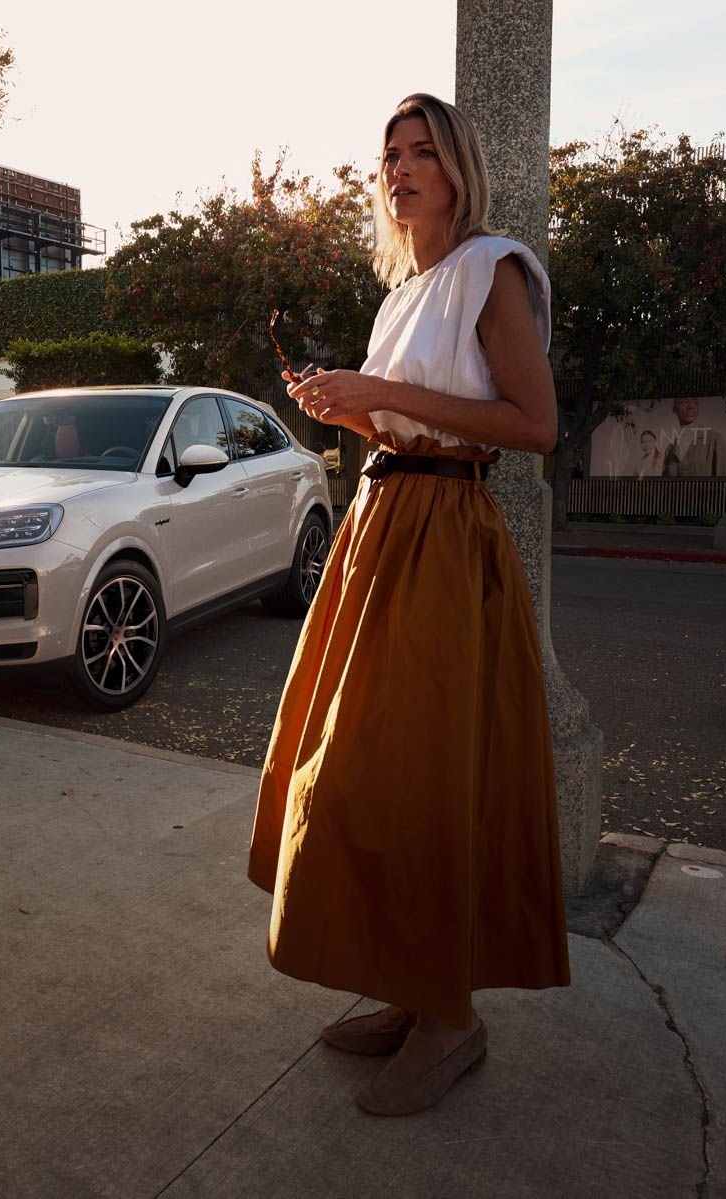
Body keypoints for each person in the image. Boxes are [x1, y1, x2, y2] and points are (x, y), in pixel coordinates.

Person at [249, 93, 571, 1117]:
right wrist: (342, 403)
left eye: (422, 150)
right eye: (389, 154)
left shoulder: (491, 267)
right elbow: (398, 421)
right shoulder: (401, 295)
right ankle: (409, 984)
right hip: (380, 528)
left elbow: (532, 423)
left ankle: (451, 1020)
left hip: (442, 535)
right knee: (360, 776)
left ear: (458, 166)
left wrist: (392, 401)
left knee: (422, 778)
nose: (401, 168)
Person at [662, 396, 722, 476]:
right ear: (674, 409)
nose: (691, 406)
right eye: (683, 402)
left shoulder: (715, 440)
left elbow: (724, 480)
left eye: (695, 403)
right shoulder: (670, 450)